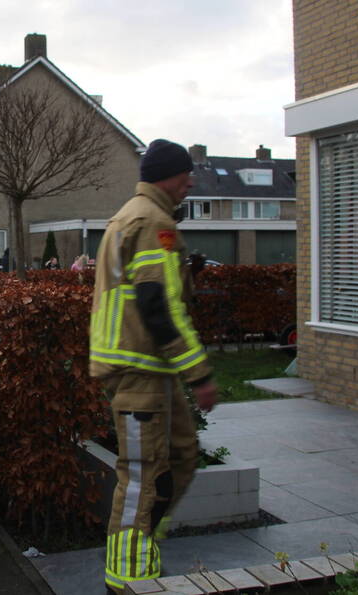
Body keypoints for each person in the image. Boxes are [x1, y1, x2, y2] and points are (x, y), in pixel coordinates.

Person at [89, 139, 218, 594]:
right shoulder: (151, 221)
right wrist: (199, 372)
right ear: (169, 174)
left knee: (181, 455)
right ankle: (125, 580)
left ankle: (143, 548)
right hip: (140, 370)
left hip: (150, 369)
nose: (190, 183)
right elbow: (156, 306)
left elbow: (149, 294)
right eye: (186, 175)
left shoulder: (138, 215)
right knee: (143, 476)